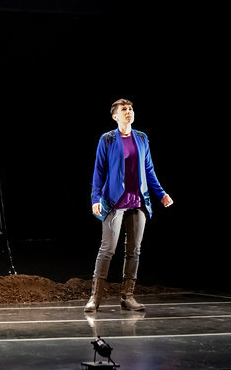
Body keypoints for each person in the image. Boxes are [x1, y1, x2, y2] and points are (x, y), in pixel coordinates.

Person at [84, 98, 173, 313]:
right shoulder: (107, 139)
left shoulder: (141, 138)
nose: (129, 112)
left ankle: (128, 296)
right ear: (115, 116)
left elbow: (149, 170)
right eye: (124, 109)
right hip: (114, 202)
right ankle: (95, 297)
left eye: (131, 109)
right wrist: (95, 198)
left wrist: (161, 194)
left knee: (134, 250)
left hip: (139, 201)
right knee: (108, 249)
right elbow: (99, 171)